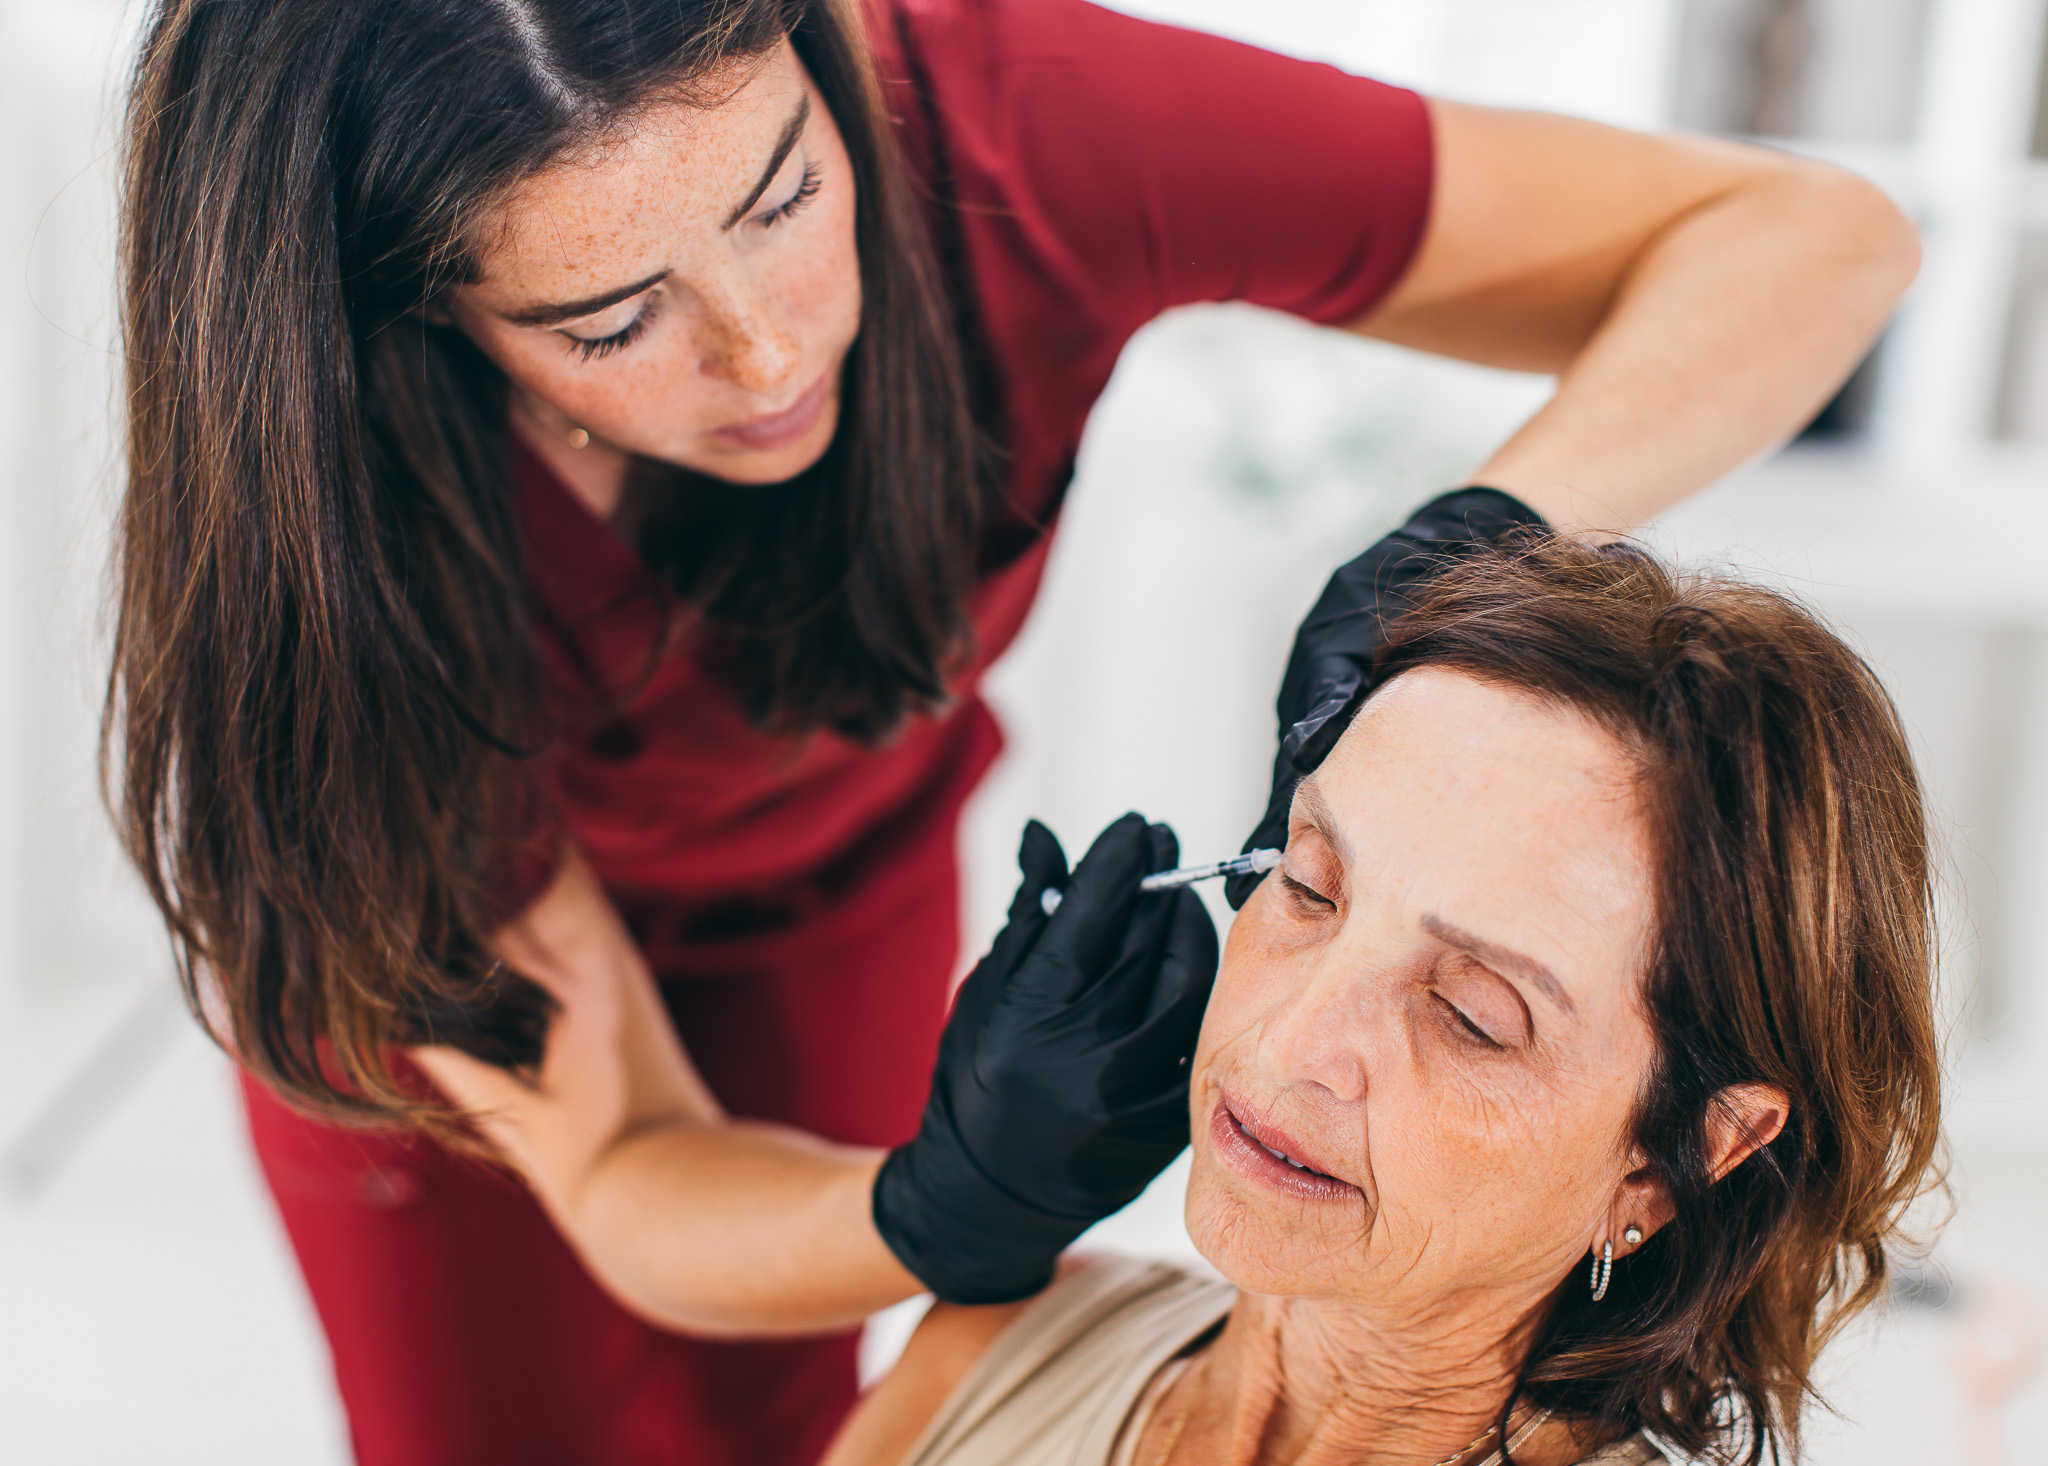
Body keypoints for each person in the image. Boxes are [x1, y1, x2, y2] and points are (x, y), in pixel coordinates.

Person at [106, 0, 1919, 1462]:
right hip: (437, 974)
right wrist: (936, 1205)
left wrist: (1472, 540)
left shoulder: (1009, 129)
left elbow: (1809, 237)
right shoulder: (349, 560)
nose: (766, 355)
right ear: (420, 307)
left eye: (780, 200)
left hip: (834, 879)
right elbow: (621, 1168)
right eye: (610, 319)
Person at [815, 537, 1946, 1466]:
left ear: (1672, 1156)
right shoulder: (1006, 1334)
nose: (1290, 1040)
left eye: (1470, 1013)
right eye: (1308, 883)